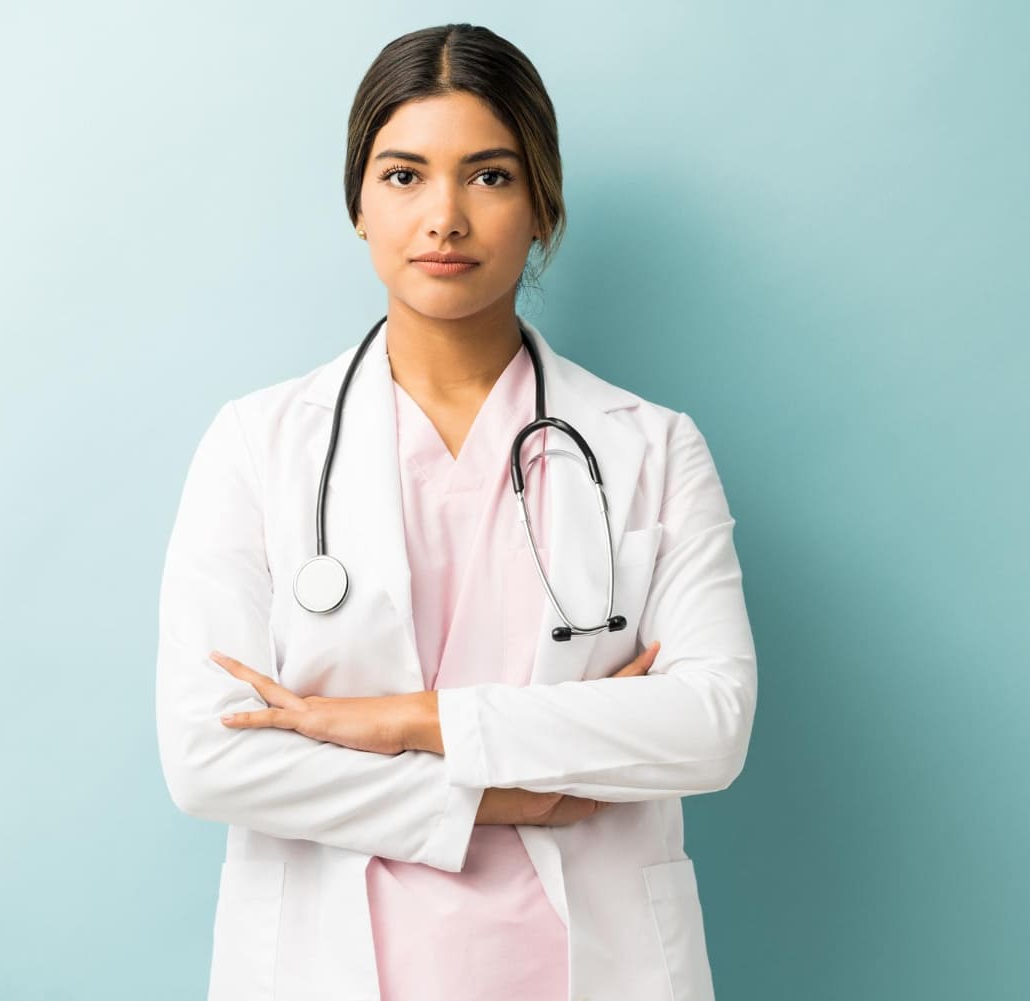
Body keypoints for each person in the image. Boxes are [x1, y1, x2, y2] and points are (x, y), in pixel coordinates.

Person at [155, 23, 757, 1001]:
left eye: (488, 176)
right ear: (357, 202)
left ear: (541, 207)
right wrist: (499, 791)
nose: (444, 216)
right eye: (402, 176)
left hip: (589, 964)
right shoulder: (258, 444)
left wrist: (410, 719)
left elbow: (708, 724)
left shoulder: (651, 447)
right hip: (329, 964)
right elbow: (210, 754)